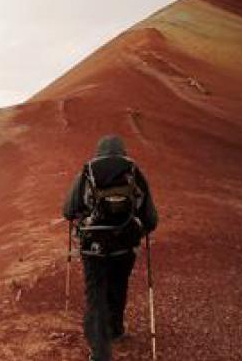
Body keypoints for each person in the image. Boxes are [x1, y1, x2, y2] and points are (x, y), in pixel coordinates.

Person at [62, 135, 158, 361]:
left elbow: (68, 210)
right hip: (125, 247)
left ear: (99, 152)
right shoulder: (134, 172)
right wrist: (138, 229)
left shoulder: (87, 173)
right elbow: (151, 219)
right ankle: (116, 329)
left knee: (96, 294)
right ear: (122, 151)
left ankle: (99, 351)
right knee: (118, 285)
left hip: (93, 247)